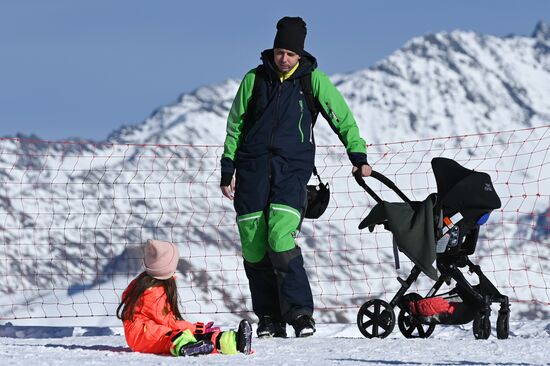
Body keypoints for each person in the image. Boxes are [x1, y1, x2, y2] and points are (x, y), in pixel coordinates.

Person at [220, 16, 372, 338]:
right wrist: (228, 166)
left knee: (279, 235)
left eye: (290, 53)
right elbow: (235, 125)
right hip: (252, 168)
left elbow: (341, 118)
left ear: (299, 54)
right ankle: (269, 318)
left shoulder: (313, 80)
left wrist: (358, 156)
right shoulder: (254, 79)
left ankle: (300, 314)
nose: (284, 58)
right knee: (253, 243)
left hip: (292, 168)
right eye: (279, 51)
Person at [117, 239, 253, 356]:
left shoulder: (147, 285)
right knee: (175, 336)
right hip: (142, 336)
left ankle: (235, 342)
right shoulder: (153, 293)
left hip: (151, 330)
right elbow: (168, 322)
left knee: (193, 334)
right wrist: (191, 328)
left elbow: (169, 320)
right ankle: (186, 347)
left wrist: (196, 329)